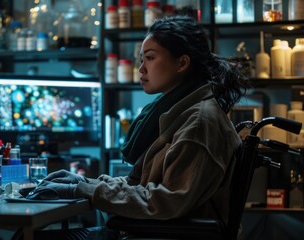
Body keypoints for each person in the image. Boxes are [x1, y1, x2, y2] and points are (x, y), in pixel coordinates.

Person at [30, 15, 250, 239]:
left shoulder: (199, 123)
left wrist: (82, 190)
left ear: (182, 63)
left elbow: (164, 202)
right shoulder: (180, 113)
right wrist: (83, 182)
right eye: (141, 59)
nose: (141, 69)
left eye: (150, 58)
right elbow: (143, 185)